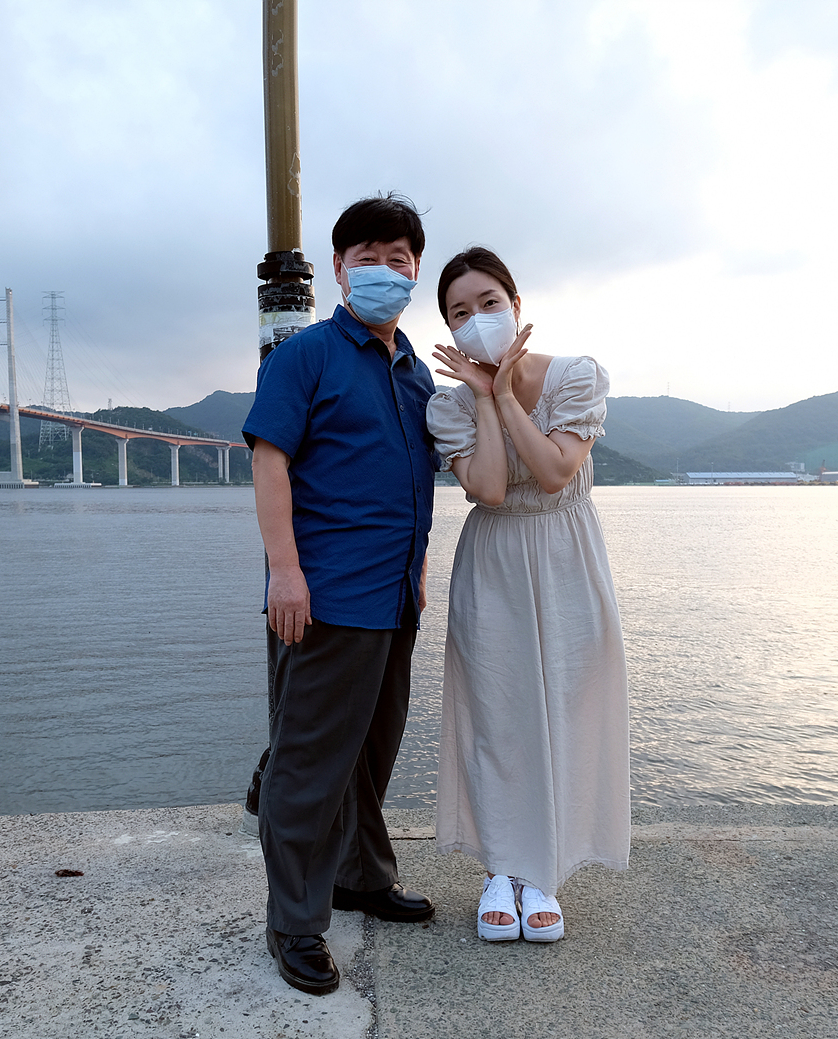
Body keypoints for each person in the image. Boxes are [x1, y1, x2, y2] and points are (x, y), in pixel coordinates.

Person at [242, 194, 438, 996]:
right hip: (325, 597)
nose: (384, 270)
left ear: (416, 270)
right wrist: (284, 571)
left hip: (394, 598)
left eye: (399, 258)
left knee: (369, 751)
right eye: (368, 257)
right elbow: (269, 461)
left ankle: (362, 874)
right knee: (310, 763)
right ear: (338, 268)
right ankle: (294, 920)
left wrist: (418, 570)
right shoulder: (307, 356)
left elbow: (416, 479)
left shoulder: (416, 370)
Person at [425, 246, 630, 943]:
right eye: (459, 313)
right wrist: (484, 397)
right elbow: (488, 487)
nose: (477, 320)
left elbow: (553, 471)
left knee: (568, 709)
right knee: (497, 717)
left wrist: (507, 393)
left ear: (516, 305)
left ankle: (544, 872)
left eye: (489, 303)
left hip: (568, 554)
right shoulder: (448, 404)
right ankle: (499, 870)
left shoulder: (577, 376)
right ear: (449, 331)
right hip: (494, 564)